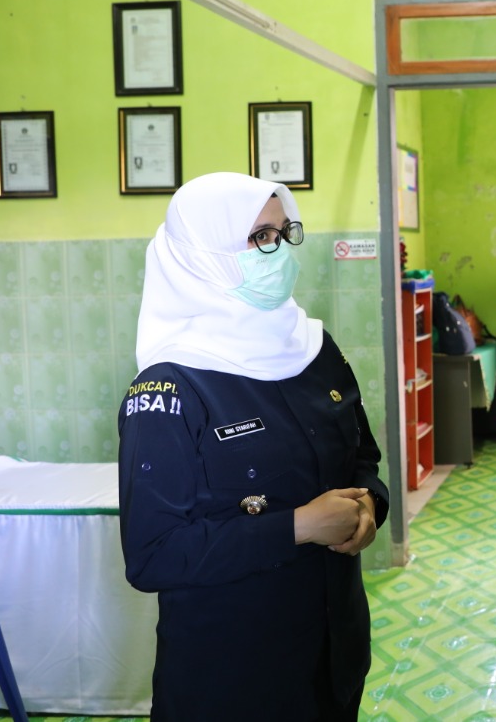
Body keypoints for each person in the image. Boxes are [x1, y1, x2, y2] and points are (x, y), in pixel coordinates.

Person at [118, 172, 390, 721]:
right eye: (259, 237)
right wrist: (299, 526)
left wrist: (369, 507)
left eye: (283, 233)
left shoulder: (312, 346)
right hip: (232, 677)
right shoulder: (169, 386)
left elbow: (362, 456)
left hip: (333, 658)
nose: (279, 252)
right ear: (204, 254)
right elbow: (153, 555)